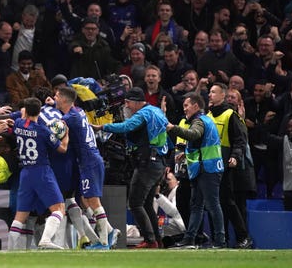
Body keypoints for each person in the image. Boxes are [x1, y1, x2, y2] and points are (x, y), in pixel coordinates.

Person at [92, 87, 169, 248]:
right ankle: (157, 241)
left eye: (128, 102)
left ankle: (150, 241)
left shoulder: (144, 114)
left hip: (147, 163)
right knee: (147, 204)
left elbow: (126, 127)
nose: (126, 105)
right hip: (158, 162)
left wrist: (103, 127)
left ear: (136, 101)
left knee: (135, 203)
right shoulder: (156, 111)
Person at [54, 86, 119, 250]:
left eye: (56, 96)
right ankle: (110, 232)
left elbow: (55, 130)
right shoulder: (79, 112)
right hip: (89, 160)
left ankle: (104, 242)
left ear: (63, 99)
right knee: (86, 199)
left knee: (93, 201)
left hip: (89, 161)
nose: (54, 98)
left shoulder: (70, 118)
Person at [166, 92, 226, 249]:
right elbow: (201, 142)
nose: (184, 109)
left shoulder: (199, 121)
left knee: (211, 205)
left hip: (208, 169)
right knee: (197, 205)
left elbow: (194, 135)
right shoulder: (205, 120)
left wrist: (173, 128)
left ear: (196, 106)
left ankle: (220, 240)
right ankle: (190, 238)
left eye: (186, 105)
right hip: (205, 168)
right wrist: (185, 152)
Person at [7, 97, 68, 250]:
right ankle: (46, 239)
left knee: (20, 217)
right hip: (41, 171)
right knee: (59, 208)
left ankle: (9, 251)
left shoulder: (18, 124)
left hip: (25, 172)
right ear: (39, 112)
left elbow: (22, 117)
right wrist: (66, 135)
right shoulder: (43, 131)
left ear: (25, 111)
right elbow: (62, 149)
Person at [206, 83, 254, 249]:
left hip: (224, 164)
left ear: (222, 96)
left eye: (213, 92)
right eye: (209, 92)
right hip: (209, 165)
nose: (210, 95)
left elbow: (240, 139)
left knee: (227, 201)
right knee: (214, 203)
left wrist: (235, 156)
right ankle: (219, 239)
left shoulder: (229, 115)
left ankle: (244, 236)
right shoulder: (208, 116)